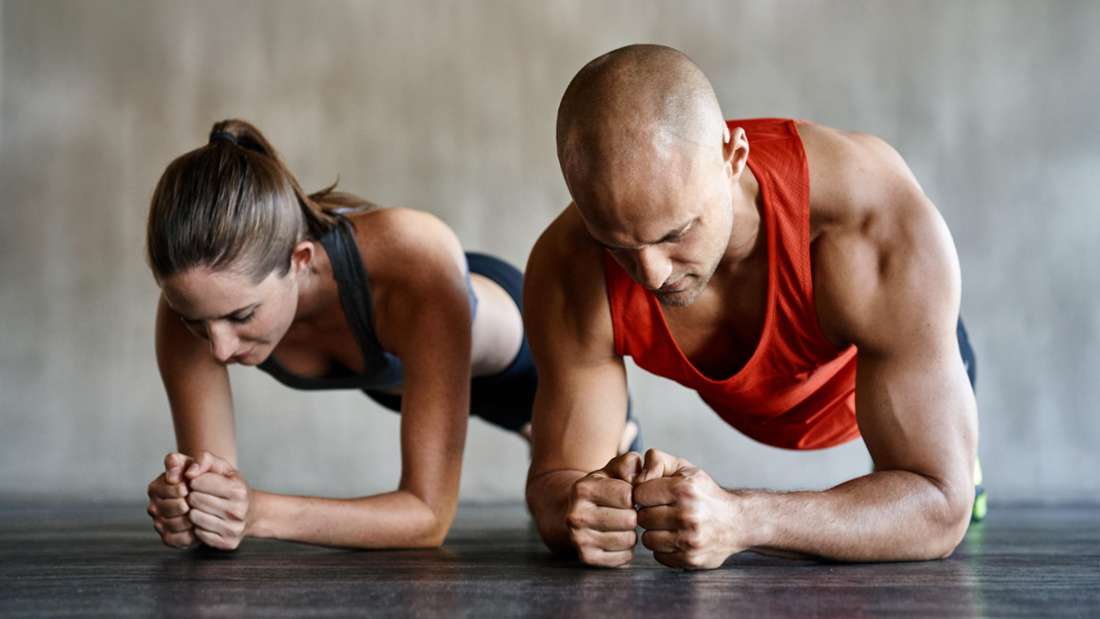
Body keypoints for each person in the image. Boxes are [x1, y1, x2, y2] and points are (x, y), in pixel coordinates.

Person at [524, 44, 982, 569]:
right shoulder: (567, 266)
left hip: (862, 388)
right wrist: (578, 510)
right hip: (759, 396)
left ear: (733, 158)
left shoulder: (869, 219)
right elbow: (556, 483)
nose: (651, 274)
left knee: (954, 479)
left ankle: (963, 429)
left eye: (676, 233)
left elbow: (939, 509)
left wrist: (743, 519)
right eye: (618, 246)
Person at [143, 119, 636, 551]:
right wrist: (197, 508)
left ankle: (564, 434)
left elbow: (427, 519)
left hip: (541, 362)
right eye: (196, 322)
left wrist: (258, 513)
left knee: (588, 531)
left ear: (299, 261)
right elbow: (215, 487)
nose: (220, 347)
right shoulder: (197, 302)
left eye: (242, 315)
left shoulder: (411, 259)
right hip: (414, 378)